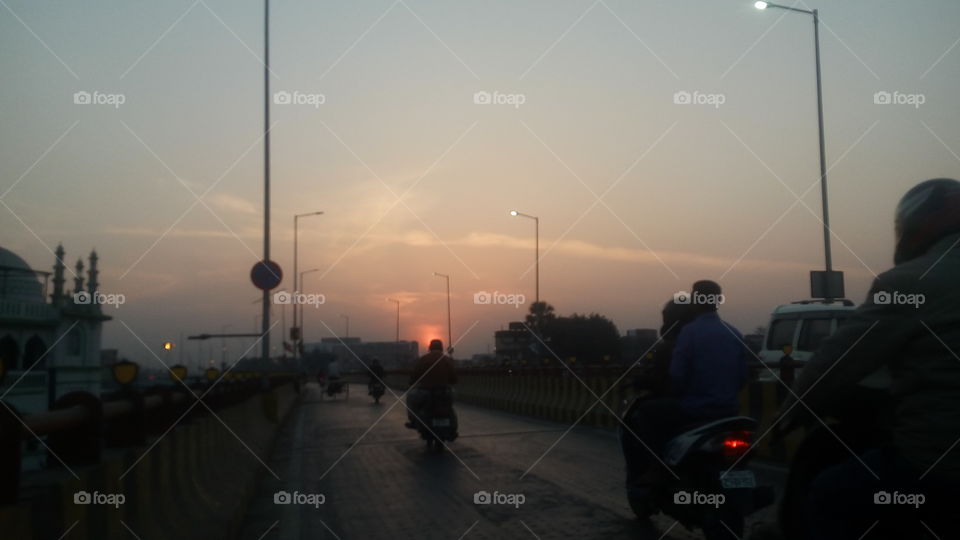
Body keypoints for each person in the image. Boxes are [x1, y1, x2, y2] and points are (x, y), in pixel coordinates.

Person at [780, 179, 960, 538]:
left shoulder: (913, 280)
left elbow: (835, 361)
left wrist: (784, 418)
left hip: (940, 463)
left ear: (915, 222)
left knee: (831, 494)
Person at [625, 280, 747, 493]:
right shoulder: (734, 333)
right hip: (729, 410)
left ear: (695, 301)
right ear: (718, 301)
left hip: (696, 409)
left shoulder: (689, 333)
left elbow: (677, 377)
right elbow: (743, 377)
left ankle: (658, 468)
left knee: (645, 413)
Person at [405, 339, 457, 428]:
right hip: (444, 391)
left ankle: (413, 421)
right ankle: (453, 427)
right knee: (450, 407)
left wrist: (412, 382)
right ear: (441, 348)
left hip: (426, 391)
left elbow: (415, 374)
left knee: (410, 398)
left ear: (430, 348)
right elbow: (454, 378)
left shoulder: (423, 359)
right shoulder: (447, 359)